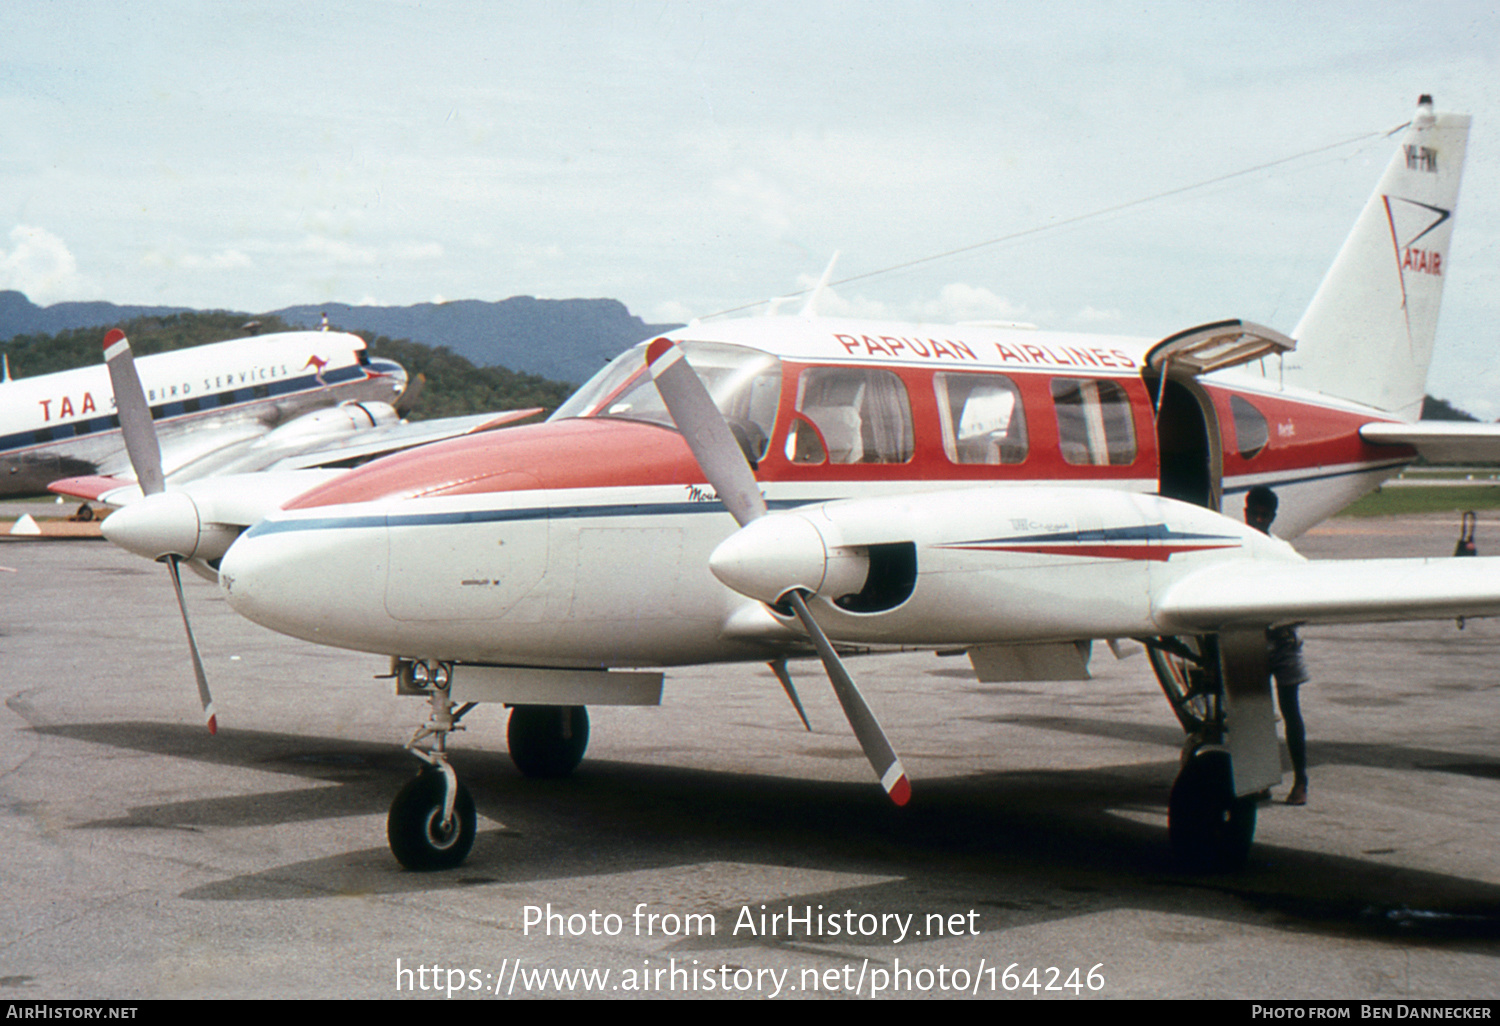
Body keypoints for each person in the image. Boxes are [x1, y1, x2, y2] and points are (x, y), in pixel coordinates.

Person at [1245, 485, 1309, 805]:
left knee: (1290, 713)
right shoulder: (1237, 547)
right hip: (1250, 644)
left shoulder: (1282, 551)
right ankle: (1261, 781)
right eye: (1253, 513)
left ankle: (1301, 781)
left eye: (1264, 515)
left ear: (1273, 517)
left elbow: (1304, 588)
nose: (1258, 520)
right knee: (1256, 714)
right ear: (1245, 512)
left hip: (1282, 643)